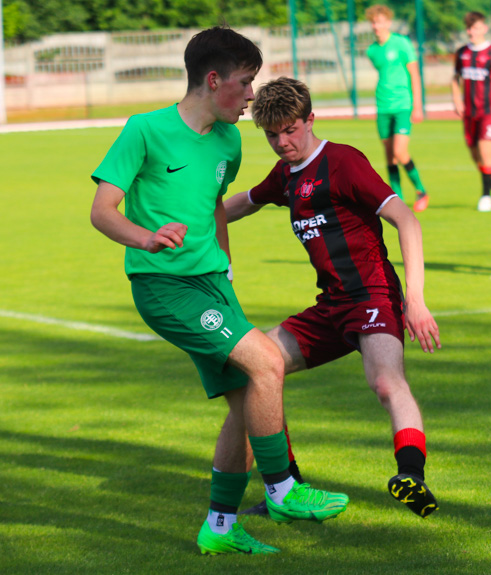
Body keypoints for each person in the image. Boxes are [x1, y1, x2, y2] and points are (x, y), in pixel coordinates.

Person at [89, 27, 348, 556]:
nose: (252, 94)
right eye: (246, 82)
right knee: (268, 363)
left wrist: (226, 266)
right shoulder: (144, 131)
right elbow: (102, 210)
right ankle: (282, 491)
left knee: (247, 403)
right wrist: (148, 238)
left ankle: (221, 528)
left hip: (214, 285)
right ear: (214, 80)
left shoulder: (229, 141)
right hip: (164, 286)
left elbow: (212, 204)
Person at [225, 77, 441, 519]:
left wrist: (415, 301)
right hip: (329, 306)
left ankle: (411, 477)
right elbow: (242, 203)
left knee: (386, 382)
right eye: (272, 134)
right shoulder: (286, 175)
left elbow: (407, 221)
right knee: (255, 372)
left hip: (372, 296)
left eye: (290, 129)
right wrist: (174, 221)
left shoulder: (343, 162)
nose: (282, 142)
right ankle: (287, 490)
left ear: (310, 119)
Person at [365, 4, 430, 212]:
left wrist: (418, 106)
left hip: (403, 105)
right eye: (374, 22)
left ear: (388, 22)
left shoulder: (401, 43)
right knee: (389, 155)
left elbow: (414, 74)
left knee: (400, 151)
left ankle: (421, 190)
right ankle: (397, 198)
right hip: (382, 107)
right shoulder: (372, 51)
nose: (377, 25)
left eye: (380, 21)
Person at [451, 11, 491, 212]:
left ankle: (485, 196)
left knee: (486, 154)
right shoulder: (462, 52)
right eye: (469, 28)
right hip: (469, 114)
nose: (472, 32)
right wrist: (456, 100)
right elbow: (455, 79)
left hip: (488, 112)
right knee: (475, 156)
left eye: (476, 27)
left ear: (484, 28)